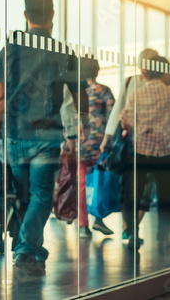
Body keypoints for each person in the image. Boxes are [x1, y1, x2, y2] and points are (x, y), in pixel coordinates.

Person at [0, 0, 88, 275]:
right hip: (46, 137)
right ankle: (27, 250)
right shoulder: (63, 51)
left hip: (14, 134)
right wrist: (81, 122)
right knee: (41, 195)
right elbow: (80, 95)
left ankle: (27, 250)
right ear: (52, 15)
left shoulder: (10, 49)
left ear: (25, 15)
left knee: (21, 196)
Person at [120, 55, 170, 252]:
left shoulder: (137, 94)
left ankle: (133, 234)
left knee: (134, 194)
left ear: (146, 72)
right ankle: (162, 238)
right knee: (165, 196)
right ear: (164, 72)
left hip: (141, 151)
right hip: (165, 152)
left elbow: (125, 121)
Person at [100, 48, 159, 240]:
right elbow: (119, 110)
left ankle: (133, 228)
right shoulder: (131, 82)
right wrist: (107, 139)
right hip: (131, 144)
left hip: (153, 145)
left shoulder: (162, 85)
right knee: (129, 187)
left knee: (146, 190)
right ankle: (130, 228)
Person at [61, 58, 115, 237]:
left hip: (79, 144)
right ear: (97, 71)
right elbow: (113, 115)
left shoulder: (73, 92)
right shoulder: (104, 90)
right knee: (99, 182)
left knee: (82, 185)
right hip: (100, 145)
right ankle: (98, 218)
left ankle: (83, 225)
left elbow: (66, 116)